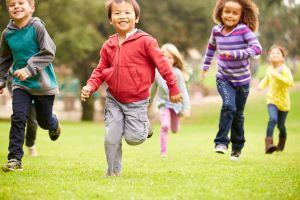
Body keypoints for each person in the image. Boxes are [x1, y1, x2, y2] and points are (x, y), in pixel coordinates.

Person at [81, 0, 182, 176]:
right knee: (111, 137)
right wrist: (90, 85)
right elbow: (100, 69)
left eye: (127, 12)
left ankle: (145, 126)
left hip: (137, 100)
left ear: (137, 17)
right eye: (117, 13)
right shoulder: (109, 45)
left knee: (134, 138)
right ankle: (112, 172)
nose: (122, 16)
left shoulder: (147, 42)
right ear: (110, 19)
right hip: (113, 98)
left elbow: (164, 66)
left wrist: (173, 88)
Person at [0, 0, 61, 172]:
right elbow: (4, 59)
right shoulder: (7, 34)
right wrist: (1, 79)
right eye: (12, 4)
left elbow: (49, 51)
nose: (16, 6)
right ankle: (14, 159)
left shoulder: (37, 27)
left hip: (43, 84)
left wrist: (29, 68)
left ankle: (53, 122)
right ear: (8, 9)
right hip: (21, 84)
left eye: (21, 3)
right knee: (19, 117)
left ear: (32, 8)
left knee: (43, 121)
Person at [200, 0, 262, 161]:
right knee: (228, 106)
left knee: (238, 114)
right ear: (220, 12)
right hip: (223, 78)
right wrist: (205, 67)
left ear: (242, 15)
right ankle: (220, 142)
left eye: (235, 13)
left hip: (242, 81)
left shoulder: (243, 30)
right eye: (227, 11)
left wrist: (235, 53)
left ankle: (237, 149)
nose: (230, 15)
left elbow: (257, 49)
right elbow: (211, 48)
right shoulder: (216, 31)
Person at [150, 43, 191, 158]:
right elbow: (152, 91)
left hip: (177, 105)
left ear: (174, 60)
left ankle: (176, 125)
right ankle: (163, 152)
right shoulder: (157, 72)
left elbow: (183, 91)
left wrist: (186, 108)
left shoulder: (177, 73)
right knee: (165, 126)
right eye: (163, 56)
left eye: (169, 57)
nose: (166, 60)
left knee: (174, 129)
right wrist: (148, 105)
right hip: (163, 104)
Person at [257, 44, 294, 154]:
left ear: (283, 57)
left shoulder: (284, 69)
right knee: (272, 119)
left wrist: (276, 75)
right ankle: (268, 145)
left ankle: (281, 143)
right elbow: (267, 79)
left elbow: (290, 82)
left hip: (284, 103)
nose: (275, 54)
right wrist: (260, 86)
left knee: (281, 126)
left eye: (278, 53)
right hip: (272, 100)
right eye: (272, 53)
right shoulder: (269, 69)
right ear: (269, 56)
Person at [6, 71, 38, 156]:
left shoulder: (33, 63)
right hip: (20, 97)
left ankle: (31, 145)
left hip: (35, 95)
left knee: (33, 123)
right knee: (19, 119)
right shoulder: (12, 69)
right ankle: (15, 152)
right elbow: (9, 82)